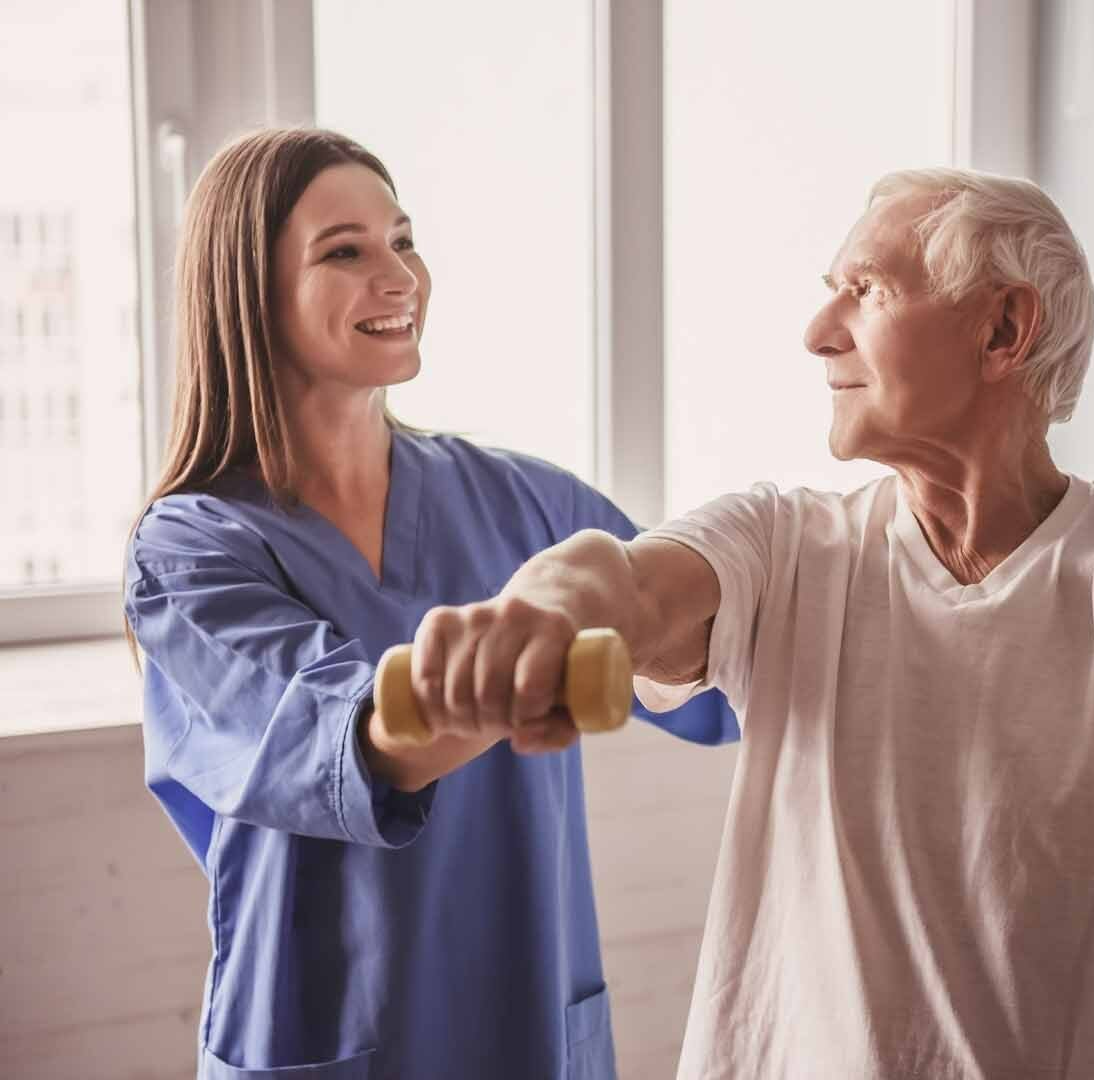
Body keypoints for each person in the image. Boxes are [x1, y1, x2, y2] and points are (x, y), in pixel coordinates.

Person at [404, 168, 1094, 1078]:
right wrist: (539, 611)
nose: (818, 332)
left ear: (1002, 331)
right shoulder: (786, 543)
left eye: (867, 290)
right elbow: (626, 583)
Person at [122, 127, 737, 1080]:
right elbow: (358, 740)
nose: (400, 276)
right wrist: (535, 671)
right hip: (323, 1032)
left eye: (403, 241)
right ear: (249, 290)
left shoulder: (529, 503)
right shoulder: (190, 549)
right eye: (345, 252)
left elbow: (721, 667)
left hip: (532, 1023)